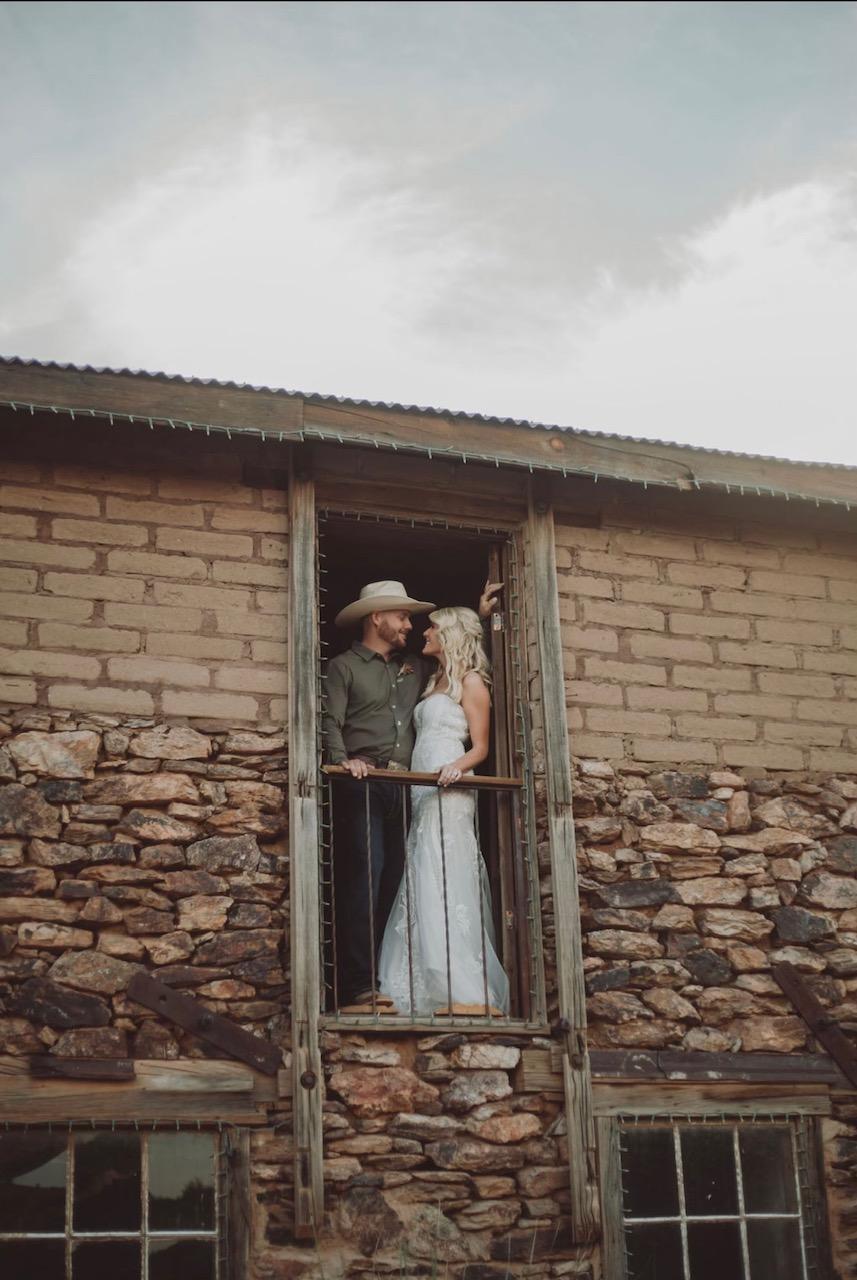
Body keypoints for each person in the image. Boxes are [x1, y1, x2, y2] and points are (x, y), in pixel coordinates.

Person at [322, 579, 500, 1010]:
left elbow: (462, 655)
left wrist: (479, 617)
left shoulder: (418, 668)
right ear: (376, 618)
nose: (412, 626)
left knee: (403, 879)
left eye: (418, 622)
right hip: (366, 780)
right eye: (402, 616)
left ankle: (445, 980)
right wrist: (344, 760)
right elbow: (328, 720)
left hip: (412, 788)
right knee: (367, 877)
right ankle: (360, 987)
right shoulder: (344, 667)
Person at [378, 607, 510, 1016]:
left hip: (450, 784)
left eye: (433, 628)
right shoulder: (434, 678)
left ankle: (462, 987)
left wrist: (456, 767)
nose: (425, 632)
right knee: (422, 870)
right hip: (423, 787)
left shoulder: (471, 682)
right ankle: (422, 981)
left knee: (445, 870)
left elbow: (481, 747)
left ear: (450, 634)